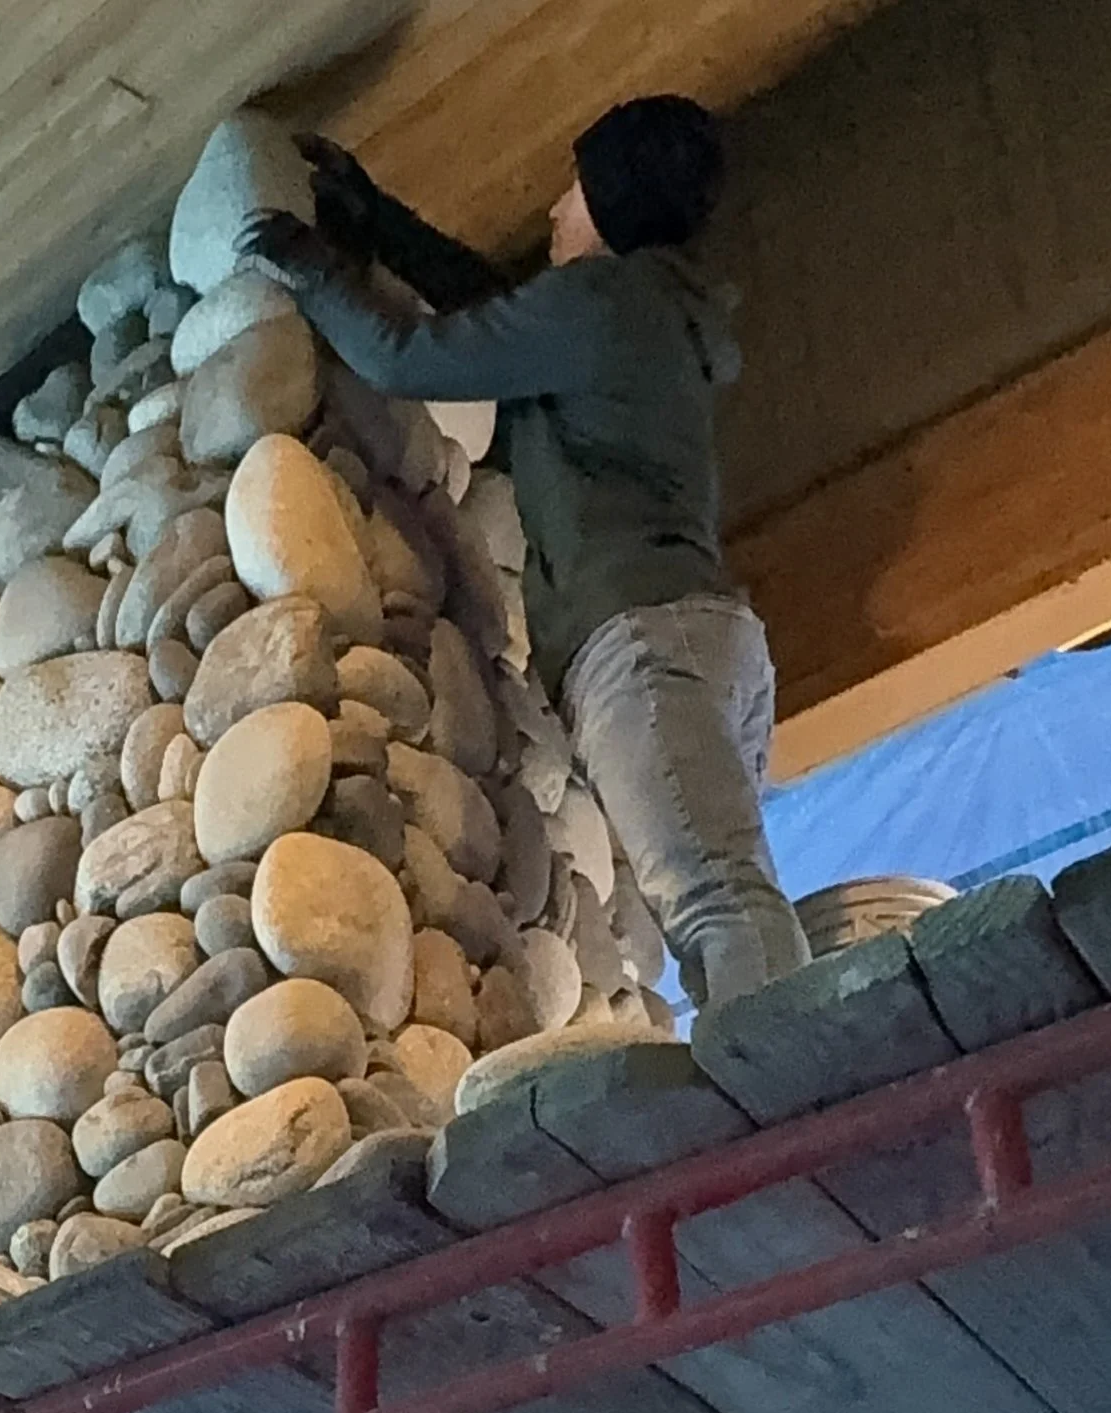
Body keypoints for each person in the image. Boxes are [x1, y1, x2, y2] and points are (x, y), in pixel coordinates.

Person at [240, 98, 809, 1013]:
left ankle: (791, 1094)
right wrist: (379, 223)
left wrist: (310, 270)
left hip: (643, 642)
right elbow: (498, 316)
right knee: (722, 895)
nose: (555, 208)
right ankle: (771, 1084)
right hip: (704, 637)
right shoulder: (651, 313)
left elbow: (405, 356)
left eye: (576, 188)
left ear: (615, 203)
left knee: (714, 904)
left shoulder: (606, 304)